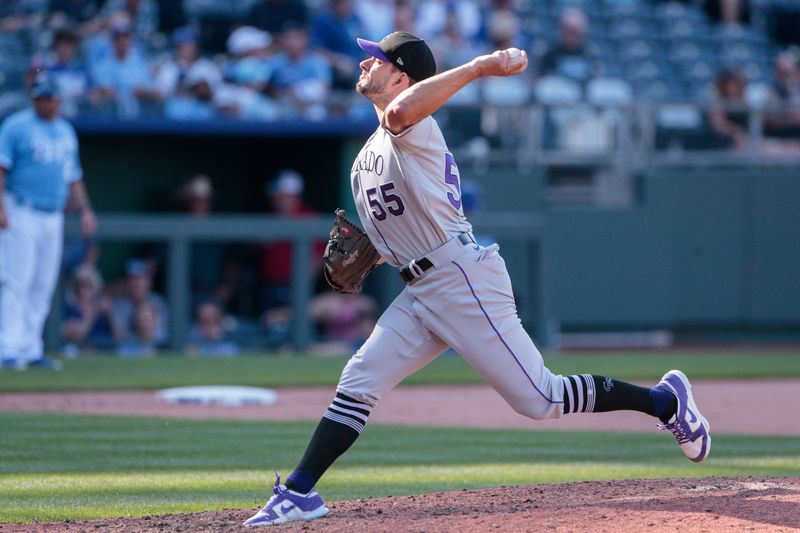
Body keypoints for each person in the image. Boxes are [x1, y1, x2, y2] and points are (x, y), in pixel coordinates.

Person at [242, 32, 712, 526]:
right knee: (358, 382)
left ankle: (664, 401)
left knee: (541, 399)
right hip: (420, 285)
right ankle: (299, 491)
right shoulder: (366, 156)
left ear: (401, 76)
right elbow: (405, 220)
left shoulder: (412, 123)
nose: (365, 62)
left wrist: (479, 67)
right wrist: (379, 253)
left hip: (460, 278)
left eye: (377, 58)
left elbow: (401, 114)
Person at [0, 73, 97, 371]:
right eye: (43, 98)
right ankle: (8, 348)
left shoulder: (65, 130)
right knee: (18, 280)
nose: (49, 103)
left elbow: (73, 176)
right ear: (35, 99)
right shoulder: (17, 126)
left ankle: (31, 347)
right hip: (21, 210)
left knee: (43, 283)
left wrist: (86, 210)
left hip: (53, 214)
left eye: (53, 98)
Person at [110, 258, 169, 348]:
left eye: (139, 279)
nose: (135, 283)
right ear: (126, 282)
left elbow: (161, 335)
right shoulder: (119, 304)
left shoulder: (157, 302)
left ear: (148, 281)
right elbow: (118, 337)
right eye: (132, 279)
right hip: (127, 351)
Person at [60, 263, 114, 354]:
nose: (82, 291)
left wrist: (110, 314)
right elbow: (71, 334)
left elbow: (119, 337)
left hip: (107, 353)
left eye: (88, 286)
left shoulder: (104, 310)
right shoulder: (68, 308)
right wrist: (92, 314)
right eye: (79, 286)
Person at [538, 7, 596, 86]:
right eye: (569, 32)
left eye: (576, 33)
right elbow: (540, 79)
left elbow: (593, 78)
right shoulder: (551, 54)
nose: (572, 37)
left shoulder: (588, 53)